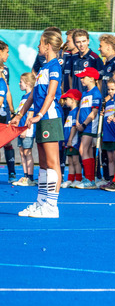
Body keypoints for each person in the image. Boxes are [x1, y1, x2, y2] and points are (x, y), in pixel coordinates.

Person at [15, 30, 65, 217]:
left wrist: (39, 114)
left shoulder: (55, 66)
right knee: (43, 163)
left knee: (52, 164)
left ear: (48, 46)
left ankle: (51, 206)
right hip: (42, 119)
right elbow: (33, 95)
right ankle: (41, 203)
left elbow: (51, 94)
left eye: (40, 43)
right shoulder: (43, 67)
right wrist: (19, 114)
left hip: (50, 118)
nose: (38, 46)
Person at [72, 67, 102, 188]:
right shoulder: (85, 93)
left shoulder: (96, 93)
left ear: (91, 79)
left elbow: (94, 112)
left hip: (90, 127)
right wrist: (78, 122)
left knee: (83, 150)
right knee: (87, 151)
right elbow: (80, 109)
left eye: (84, 77)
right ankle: (90, 178)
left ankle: (89, 178)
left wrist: (84, 124)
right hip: (83, 126)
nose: (81, 80)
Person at [14, 73, 36, 185]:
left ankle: (30, 178)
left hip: (27, 129)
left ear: (27, 84)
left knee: (27, 152)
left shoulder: (30, 96)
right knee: (22, 153)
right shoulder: (23, 97)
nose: (19, 84)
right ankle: (25, 176)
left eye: (21, 82)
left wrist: (26, 130)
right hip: (20, 129)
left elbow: (30, 114)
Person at [67, 29, 102, 94]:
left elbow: (99, 80)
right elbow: (71, 77)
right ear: (74, 43)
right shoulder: (73, 58)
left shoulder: (94, 58)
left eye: (84, 41)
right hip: (76, 97)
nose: (81, 44)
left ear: (88, 41)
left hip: (89, 97)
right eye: (78, 42)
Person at [0, 40, 16, 182]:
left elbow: (8, 90)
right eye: (6, 52)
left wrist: (11, 109)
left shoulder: (6, 70)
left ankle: (12, 173)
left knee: (7, 141)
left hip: (3, 111)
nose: (8, 55)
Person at [60, 90, 82, 187]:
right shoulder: (70, 112)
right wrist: (65, 140)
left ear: (73, 100)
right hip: (68, 141)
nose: (65, 101)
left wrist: (70, 140)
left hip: (74, 141)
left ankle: (78, 178)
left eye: (67, 99)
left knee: (75, 160)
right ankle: (70, 179)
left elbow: (74, 127)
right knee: (70, 161)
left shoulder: (76, 112)